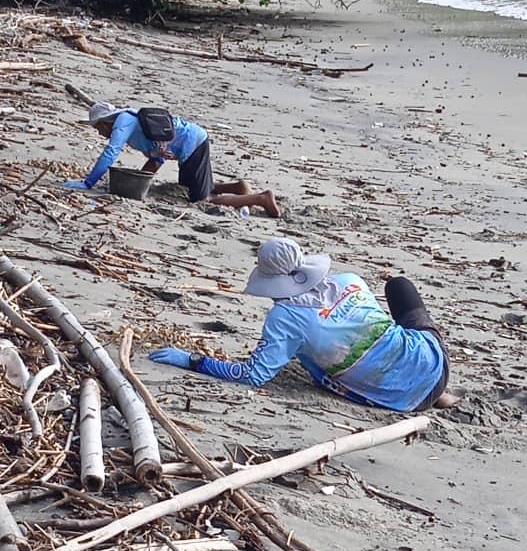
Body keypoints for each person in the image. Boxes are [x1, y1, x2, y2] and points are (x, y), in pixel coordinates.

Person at [149, 237, 458, 412]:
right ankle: (431, 384)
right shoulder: (350, 281)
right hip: (436, 362)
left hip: (402, 400)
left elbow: (252, 376)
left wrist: (193, 360)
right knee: (399, 286)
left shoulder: (284, 319)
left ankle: (418, 384)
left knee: (311, 360)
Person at [64, 103, 280, 217]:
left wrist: (88, 183)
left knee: (202, 200)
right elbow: (158, 156)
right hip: (189, 143)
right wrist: (139, 183)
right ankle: (239, 187)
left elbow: (110, 153)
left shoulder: (122, 124)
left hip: (193, 144)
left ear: (104, 123)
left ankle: (260, 199)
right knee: (189, 187)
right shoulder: (133, 122)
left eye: (98, 128)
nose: (100, 134)